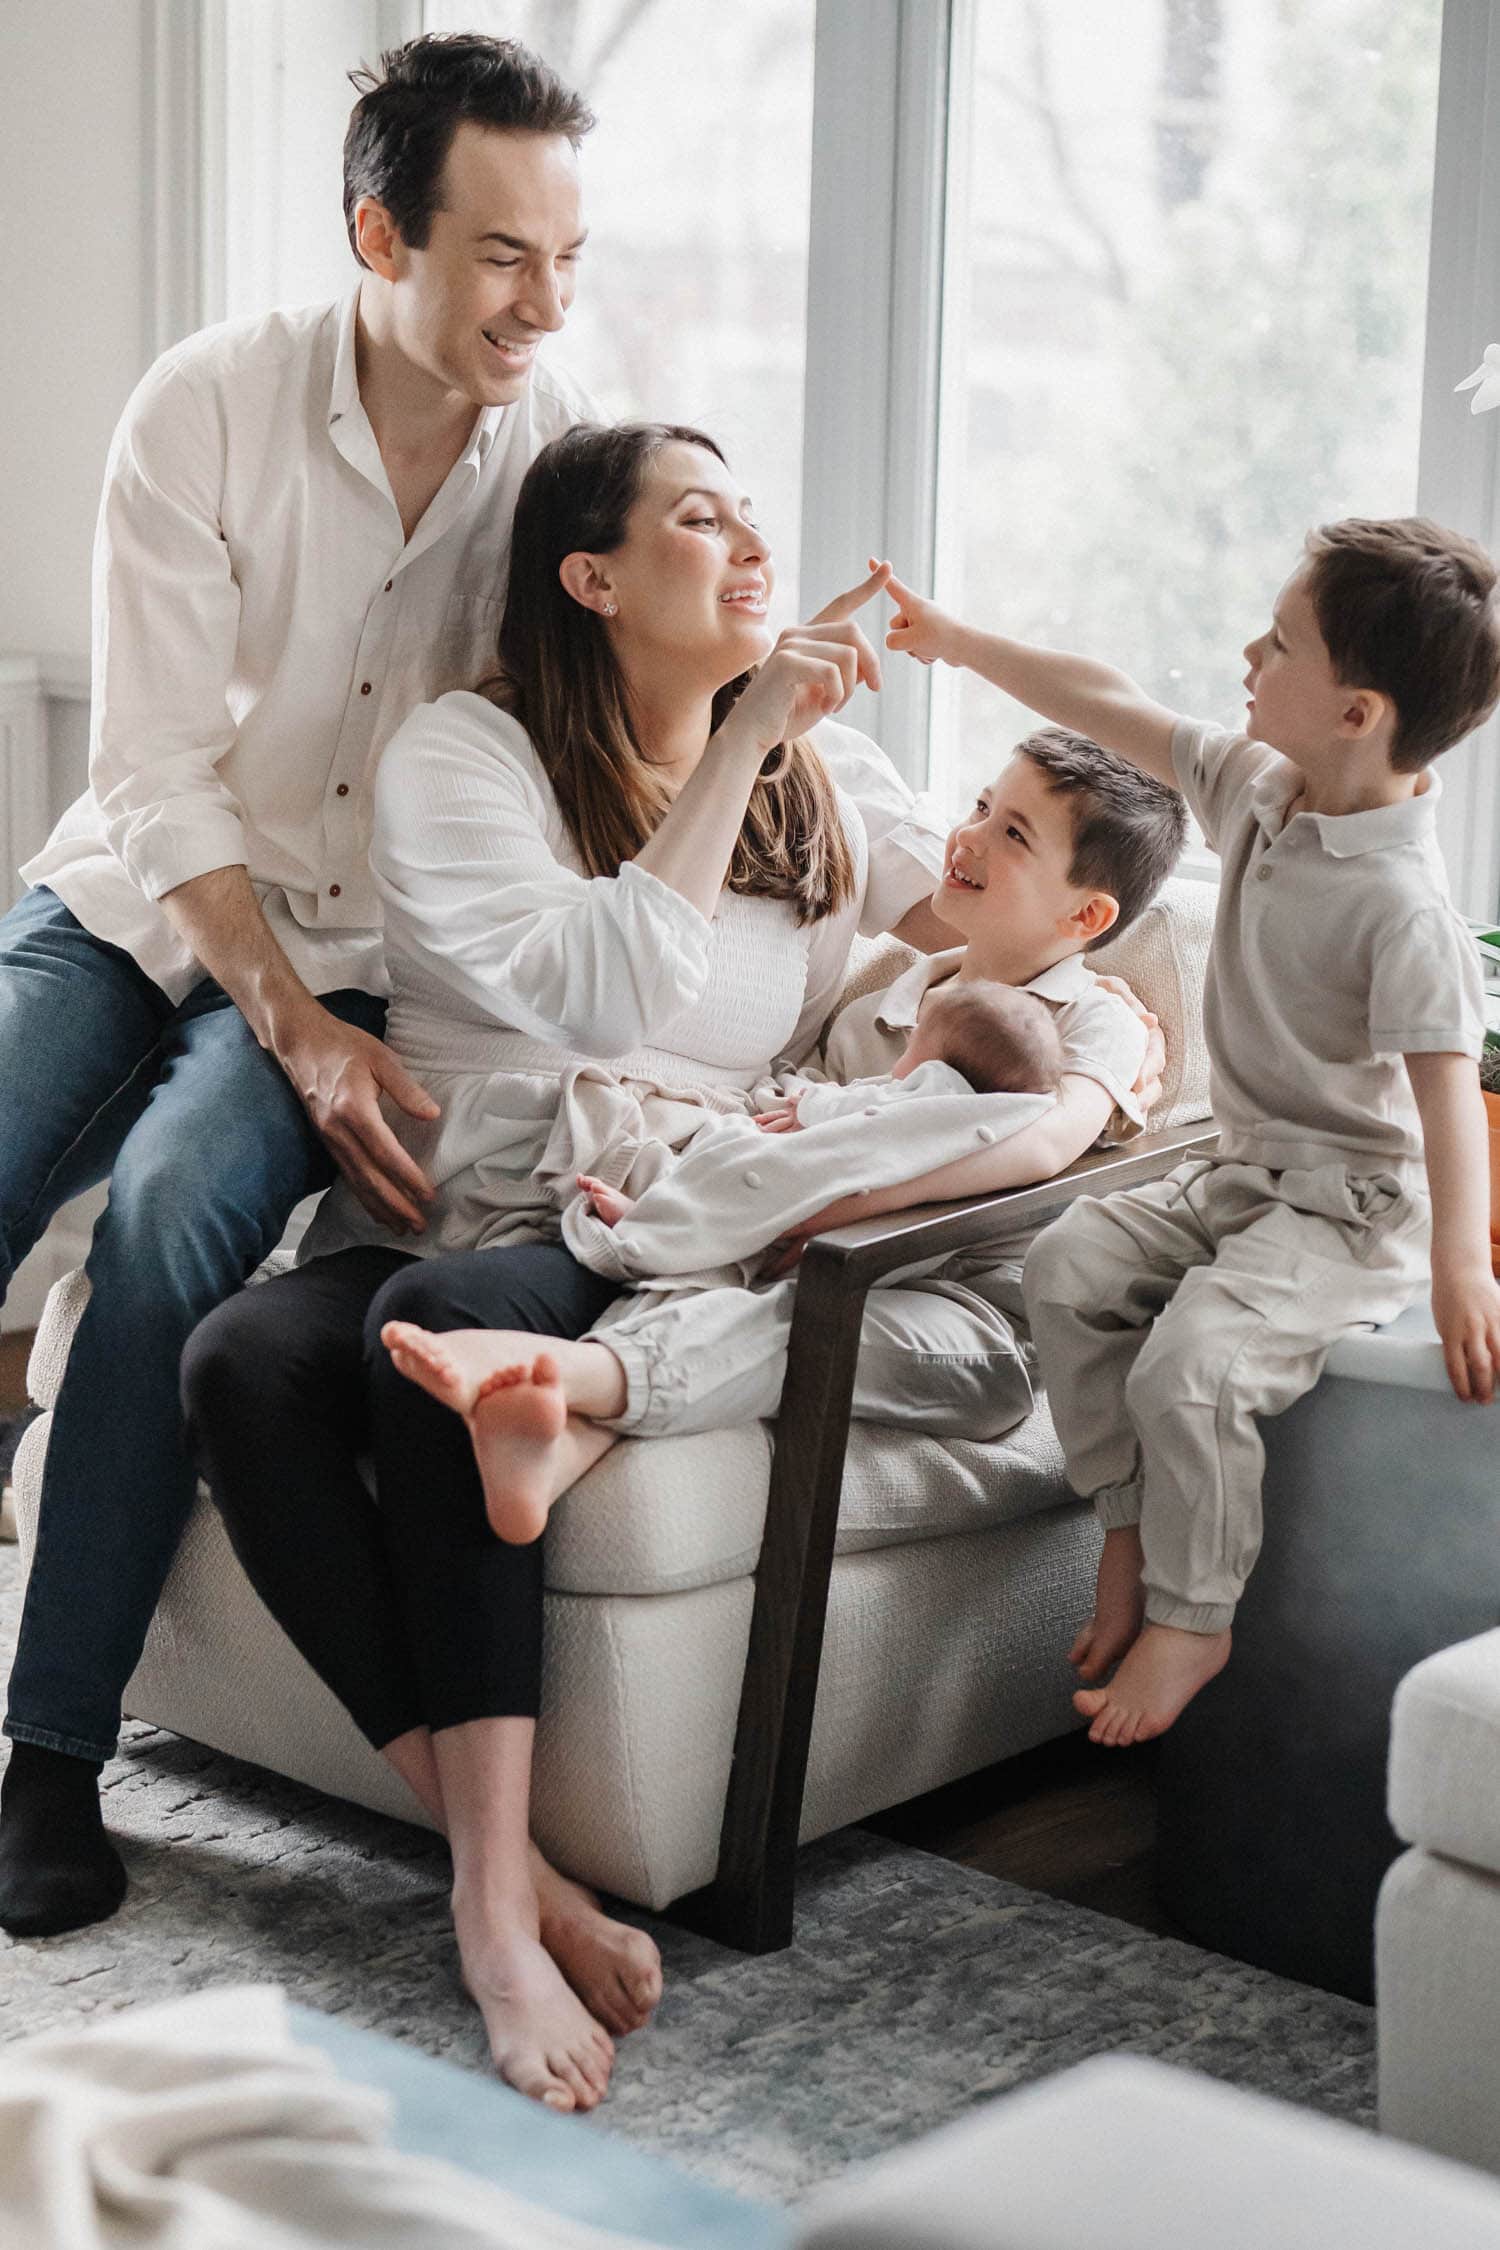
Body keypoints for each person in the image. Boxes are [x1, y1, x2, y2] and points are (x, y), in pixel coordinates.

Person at [180, 419, 963, 2113]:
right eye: (701, 517)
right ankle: (526, 1874)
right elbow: (602, 996)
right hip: (482, 1201)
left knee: (432, 1334)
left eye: (754, 508)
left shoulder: (836, 779)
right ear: (590, 577)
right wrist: (750, 730)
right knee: (243, 1358)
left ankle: (482, 1910)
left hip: (673, 1224)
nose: (751, 541)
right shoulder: (472, 757)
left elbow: (1027, 916)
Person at [0, 32, 599, 1939]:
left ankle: (47, 1757)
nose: (543, 299)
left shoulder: (553, 455)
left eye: (565, 254)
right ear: (376, 231)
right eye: (503, 254)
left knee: (176, 1223)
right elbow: (155, 765)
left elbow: (649, 684)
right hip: (146, 902)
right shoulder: (208, 408)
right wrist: (287, 1023)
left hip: (358, 956)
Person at [880, 520, 1500, 1749]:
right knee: (1070, 1267)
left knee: (1194, 1366)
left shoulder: (1402, 908)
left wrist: (1461, 1265)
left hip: (1348, 1205)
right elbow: (1104, 702)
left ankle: (1195, 1613)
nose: (1248, 652)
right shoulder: (1262, 790)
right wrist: (954, 643)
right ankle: (1127, 1524)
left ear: (1356, 712)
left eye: (1281, 643)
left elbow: (1443, 1096)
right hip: (1241, 1171)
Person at [376, 730, 1186, 1547]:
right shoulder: (885, 1005)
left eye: (1013, 834)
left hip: (967, 1320)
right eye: (981, 806)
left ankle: (566, 1373)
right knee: (697, 1271)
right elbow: (784, 1134)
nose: (969, 836)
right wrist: (692, 1200)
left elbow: (1046, 1145)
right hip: (814, 1266)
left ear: (1085, 915)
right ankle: (563, 1442)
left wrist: (849, 1209)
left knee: (797, 1323)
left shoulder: (1099, 1021)